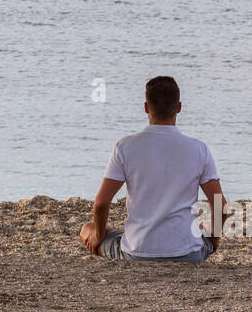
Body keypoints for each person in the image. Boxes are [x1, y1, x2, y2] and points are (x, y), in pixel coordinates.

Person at [79, 76, 225, 263]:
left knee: (87, 229)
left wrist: (99, 235)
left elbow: (101, 204)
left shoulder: (125, 147)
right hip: (188, 254)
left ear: (146, 107)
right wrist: (214, 238)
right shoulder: (199, 149)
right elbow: (221, 205)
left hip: (137, 253)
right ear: (179, 107)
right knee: (204, 229)